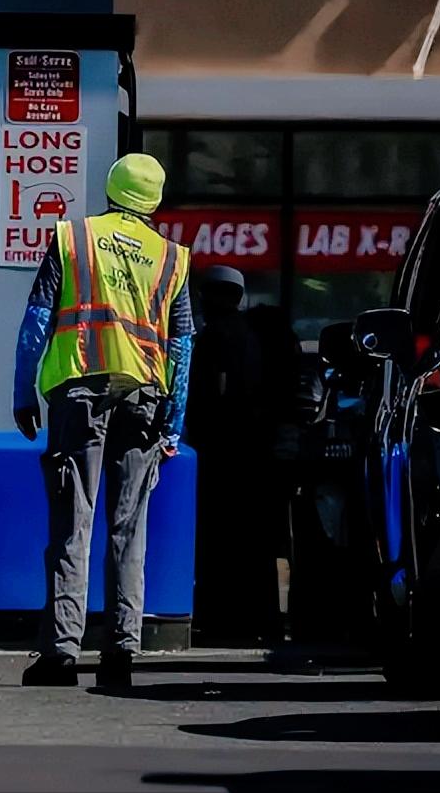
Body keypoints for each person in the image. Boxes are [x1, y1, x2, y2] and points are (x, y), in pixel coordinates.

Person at [12, 154, 194, 688]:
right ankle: (121, 654)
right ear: (155, 199)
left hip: (79, 394)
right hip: (145, 399)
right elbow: (182, 346)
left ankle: (61, 654)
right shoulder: (171, 258)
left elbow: (37, 319)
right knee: (127, 527)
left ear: (112, 189)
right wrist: (174, 423)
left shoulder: (74, 239)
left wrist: (23, 391)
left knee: (74, 521)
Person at [186, 268, 285, 645]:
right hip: (255, 452)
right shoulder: (255, 336)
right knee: (255, 543)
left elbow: (211, 398)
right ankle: (261, 621)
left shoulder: (215, 338)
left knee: (219, 542)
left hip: (221, 454)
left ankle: (222, 620)